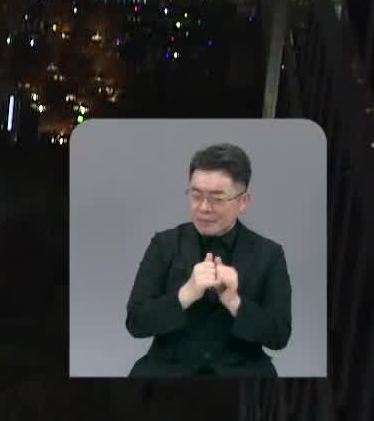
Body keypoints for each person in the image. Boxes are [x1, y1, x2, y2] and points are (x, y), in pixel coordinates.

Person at [124, 143, 292, 377]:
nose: (203, 207)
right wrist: (186, 294)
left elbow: (279, 335)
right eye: (196, 196)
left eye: (217, 199)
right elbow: (136, 322)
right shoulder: (164, 244)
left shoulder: (270, 254)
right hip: (166, 373)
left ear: (243, 201)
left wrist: (234, 301)